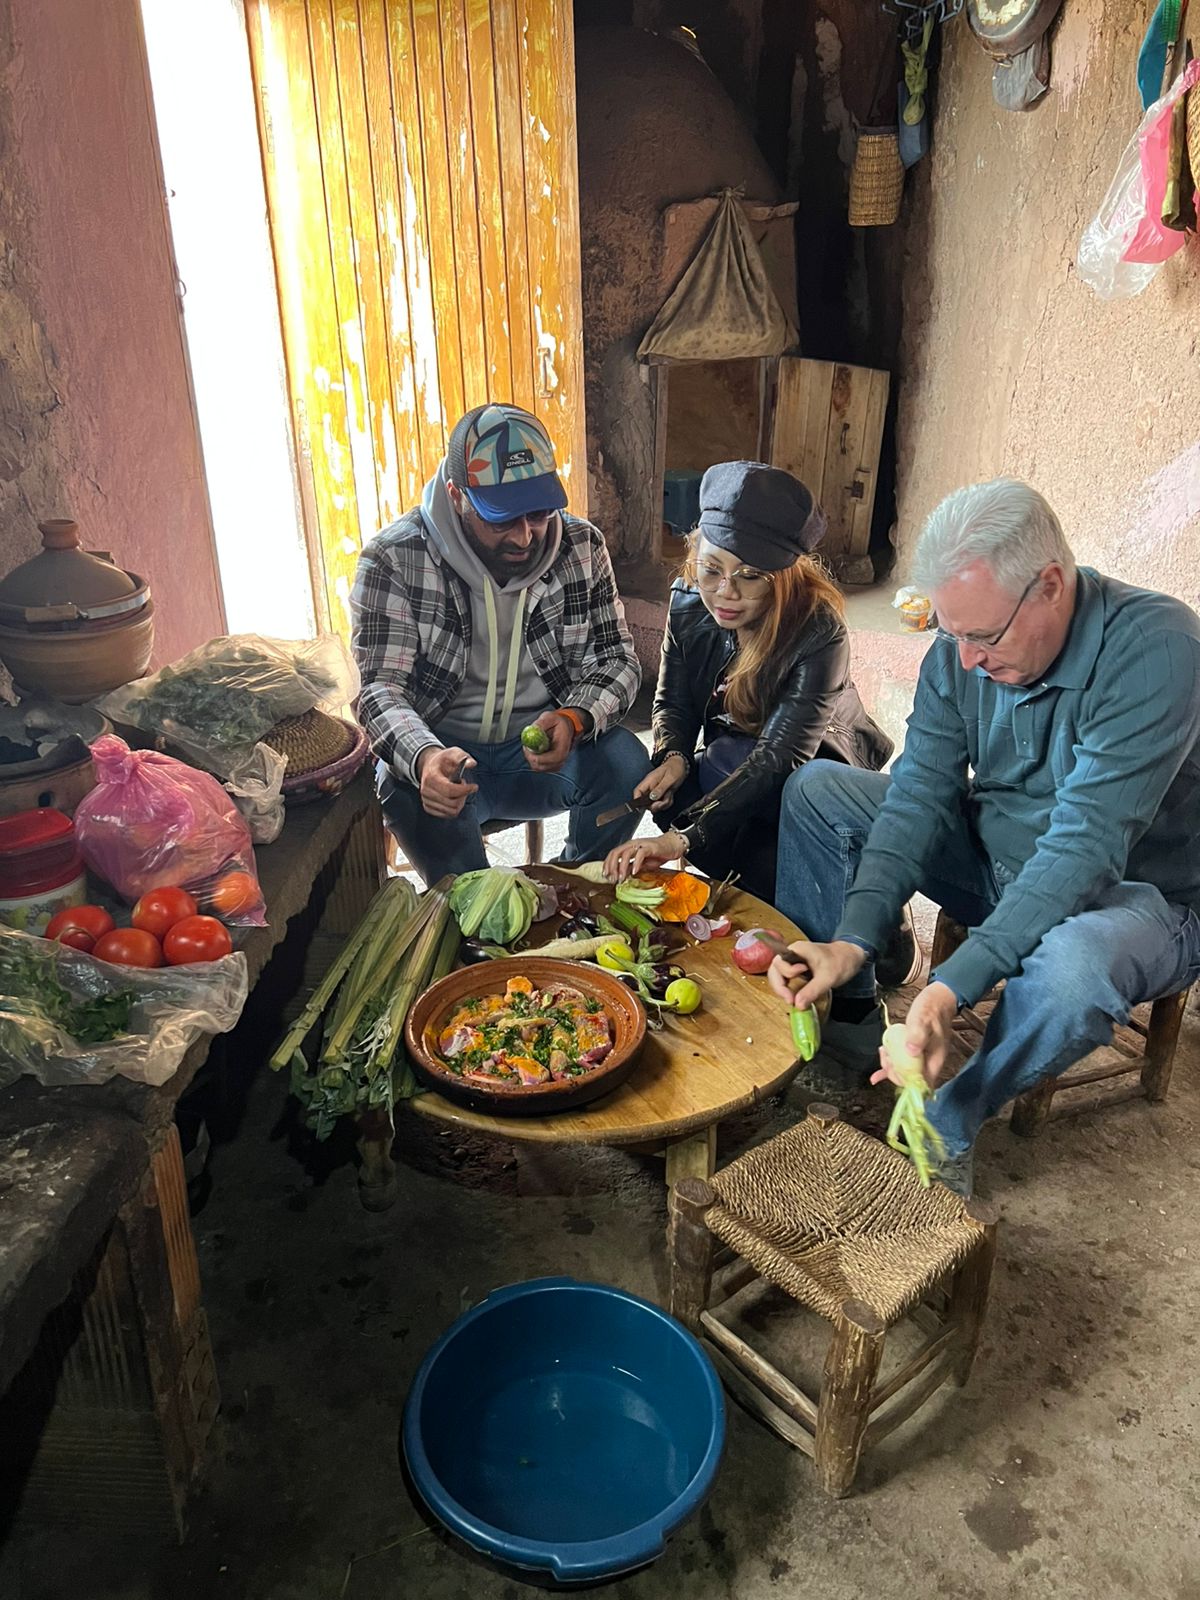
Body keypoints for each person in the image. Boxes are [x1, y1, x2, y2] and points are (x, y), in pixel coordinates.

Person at [767, 477, 1200, 1195]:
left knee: (1072, 971)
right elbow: (918, 796)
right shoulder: (960, 651)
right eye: (949, 631)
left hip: (1133, 900)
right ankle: (846, 1026)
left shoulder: (1157, 651)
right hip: (996, 858)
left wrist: (948, 991)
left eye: (982, 636)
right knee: (817, 790)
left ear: (1051, 586)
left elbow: (1083, 849)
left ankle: (950, 1118)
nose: (965, 658)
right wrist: (852, 939)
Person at [351, 403, 649, 882]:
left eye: (537, 514)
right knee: (402, 785)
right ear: (457, 495)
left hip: (541, 756)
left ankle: (579, 883)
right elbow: (380, 690)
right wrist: (425, 758)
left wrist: (573, 719)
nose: (524, 536)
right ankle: (474, 911)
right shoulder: (395, 559)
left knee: (625, 763)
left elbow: (617, 660)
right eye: (501, 519)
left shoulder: (582, 547)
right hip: (449, 757)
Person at [603, 461, 892, 901]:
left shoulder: (818, 630)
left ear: (783, 575)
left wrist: (681, 841)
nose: (725, 592)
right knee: (675, 801)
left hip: (810, 765)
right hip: (733, 753)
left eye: (750, 576)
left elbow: (779, 759)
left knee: (769, 851)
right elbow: (673, 703)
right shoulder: (687, 602)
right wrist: (675, 755)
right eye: (711, 569)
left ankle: (865, 893)